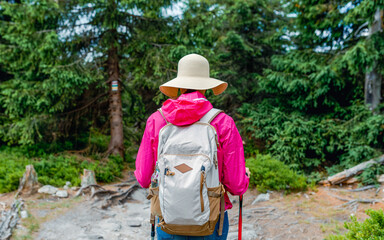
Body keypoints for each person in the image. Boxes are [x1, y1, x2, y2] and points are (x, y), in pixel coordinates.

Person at [135, 53, 250, 239]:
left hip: (167, 220)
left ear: (179, 86)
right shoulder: (223, 122)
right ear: (207, 87)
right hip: (212, 221)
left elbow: (143, 178)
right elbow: (236, 186)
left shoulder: (157, 120)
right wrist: (244, 177)